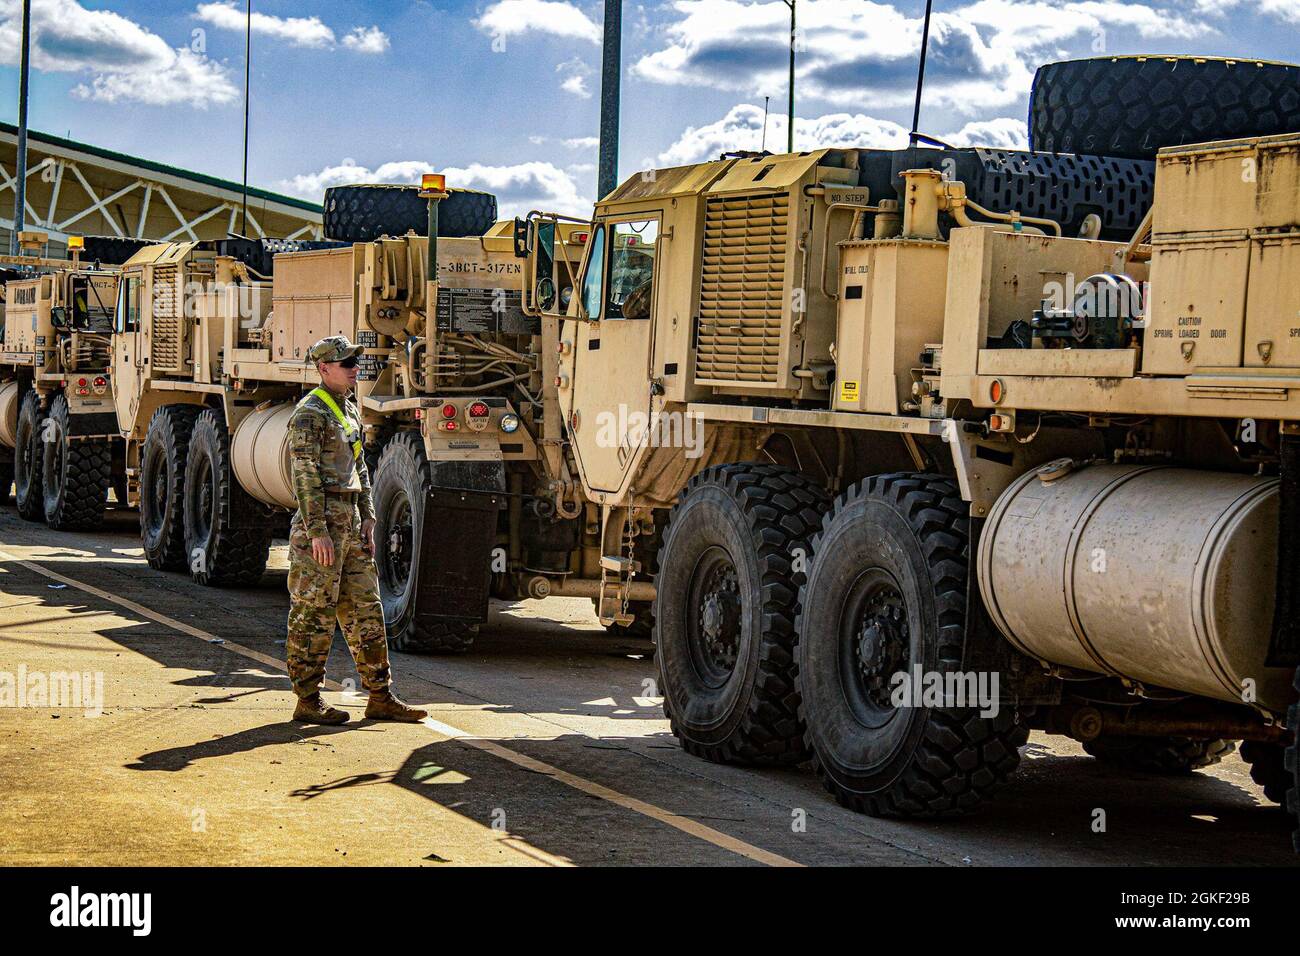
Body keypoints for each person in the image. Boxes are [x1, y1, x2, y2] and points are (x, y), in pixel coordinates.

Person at [286, 334, 426, 725]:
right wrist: (317, 531)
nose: (354, 369)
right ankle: (308, 699)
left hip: (348, 519)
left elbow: (360, 466)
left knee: (367, 609)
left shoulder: (346, 408)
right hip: (324, 520)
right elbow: (305, 476)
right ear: (324, 368)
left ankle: (380, 694)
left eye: (355, 363)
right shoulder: (309, 413)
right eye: (346, 364)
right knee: (314, 611)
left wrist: (367, 515)